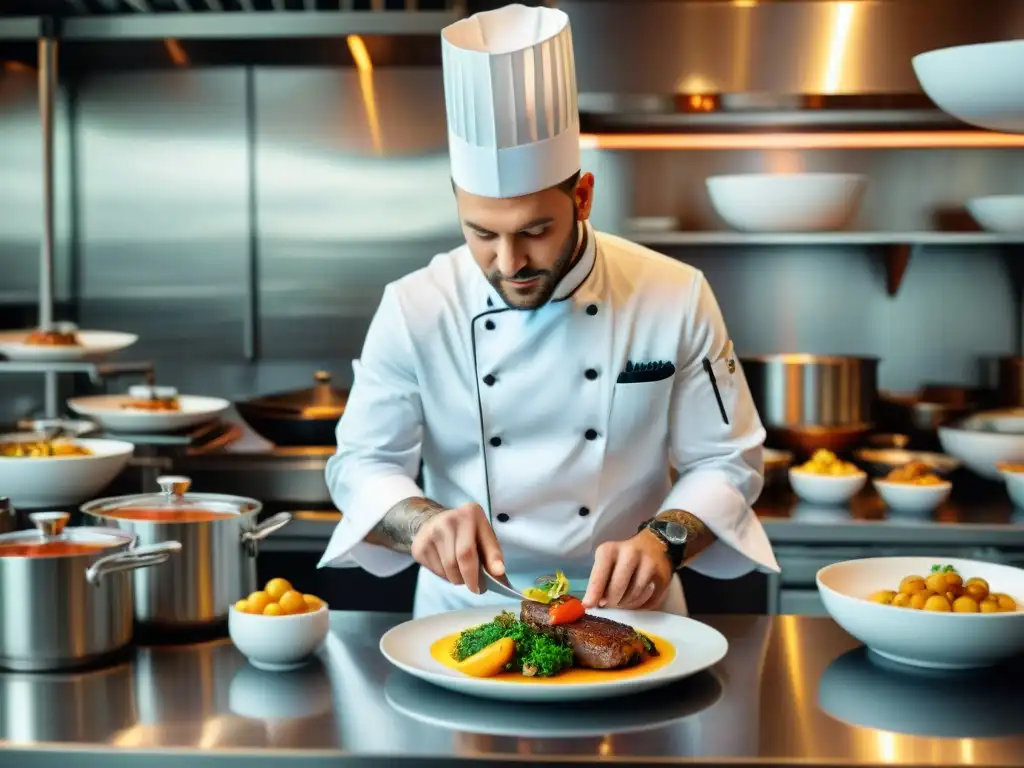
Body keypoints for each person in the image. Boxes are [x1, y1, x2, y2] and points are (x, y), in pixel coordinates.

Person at [318, 3, 778, 617]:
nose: (509, 262)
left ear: (582, 196)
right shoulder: (413, 307)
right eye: (482, 233)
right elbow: (361, 463)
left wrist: (664, 541)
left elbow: (728, 458)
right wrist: (421, 522)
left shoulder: (675, 292)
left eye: (535, 229)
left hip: (630, 611)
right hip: (466, 615)